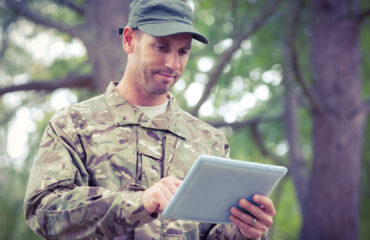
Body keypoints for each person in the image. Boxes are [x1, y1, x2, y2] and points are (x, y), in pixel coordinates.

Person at [24, 0, 276, 239]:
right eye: (161, 47)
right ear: (129, 40)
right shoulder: (73, 125)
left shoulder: (209, 142)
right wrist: (141, 203)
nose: (172, 63)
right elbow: (43, 212)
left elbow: (212, 234)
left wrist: (245, 231)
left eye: (183, 51)